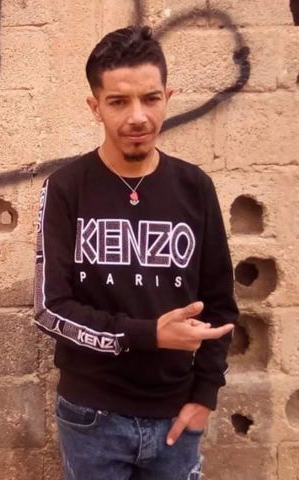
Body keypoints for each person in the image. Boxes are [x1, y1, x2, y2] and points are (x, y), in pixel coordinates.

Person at [33, 25, 238, 480]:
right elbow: (50, 309)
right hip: (92, 417)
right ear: (95, 107)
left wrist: (204, 396)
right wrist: (148, 334)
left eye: (150, 98)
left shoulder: (195, 187)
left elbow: (220, 305)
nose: (138, 117)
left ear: (168, 97)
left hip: (175, 417)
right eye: (118, 102)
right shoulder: (66, 189)